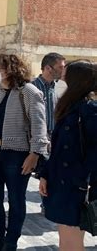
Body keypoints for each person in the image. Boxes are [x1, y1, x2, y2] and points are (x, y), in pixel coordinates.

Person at [0, 54, 48, 251]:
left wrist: (35, 154)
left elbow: (39, 125)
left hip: (17, 155)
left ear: (12, 68)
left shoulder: (29, 92)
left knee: (16, 199)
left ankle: (11, 242)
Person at [39, 60, 97, 251]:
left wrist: (81, 179)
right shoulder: (70, 107)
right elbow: (56, 148)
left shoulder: (90, 110)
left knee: (71, 241)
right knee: (66, 240)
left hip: (75, 187)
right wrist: (45, 175)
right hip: (61, 182)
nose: (61, 79)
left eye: (65, 76)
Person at [31, 53, 65, 213]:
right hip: (35, 140)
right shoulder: (31, 88)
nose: (63, 70)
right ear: (47, 68)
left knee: (50, 173)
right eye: (60, 67)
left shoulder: (56, 88)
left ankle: (47, 205)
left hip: (53, 139)